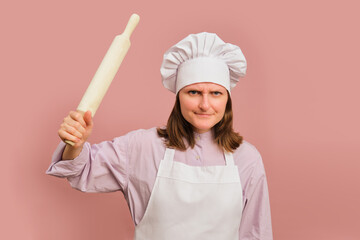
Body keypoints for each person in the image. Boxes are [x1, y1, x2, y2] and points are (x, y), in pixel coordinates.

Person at [46, 32, 273, 240]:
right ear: (178, 97)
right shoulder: (142, 147)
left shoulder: (247, 159)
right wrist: (76, 141)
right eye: (193, 92)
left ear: (227, 99)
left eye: (215, 93)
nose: (205, 104)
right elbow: (81, 169)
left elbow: (256, 233)